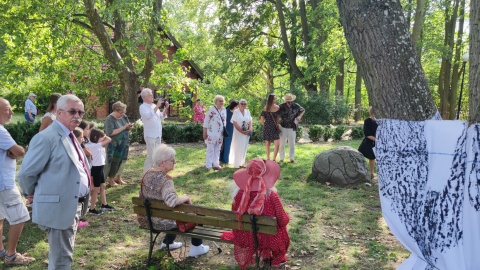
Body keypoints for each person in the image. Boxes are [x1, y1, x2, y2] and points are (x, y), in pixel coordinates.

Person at [18, 94, 90, 269]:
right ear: (59, 112)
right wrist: (32, 194)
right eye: (72, 111)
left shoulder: (71, 135)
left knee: (64, 255)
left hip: (73, 204)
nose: (78, 116)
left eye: (81, 112)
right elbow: (26, 174)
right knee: (61, 260)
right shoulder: (46, 137)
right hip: (58, 207)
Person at [137, 144, 210, 257]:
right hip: (163, 222)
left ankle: (168, 243)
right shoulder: (166, 181)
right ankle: (197, 247)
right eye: (172, 160)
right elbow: (171, 202)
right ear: (162, 163)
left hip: (147, 219)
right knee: (198, 215)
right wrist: (185, 197)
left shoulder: (146, 175)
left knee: (175, 214)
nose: (175, 162)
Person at [221, 158, 290, 269]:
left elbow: (235, 215)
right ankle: (276, 261)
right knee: (280, 230)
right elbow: (283, 220)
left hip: (246, 235)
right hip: (269, 238)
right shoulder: (271, 196)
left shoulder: (239, 195)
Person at [0, 98, 36, 266]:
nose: (12, 113)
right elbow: (19, 151)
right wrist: (20, 150)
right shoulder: (1, 131)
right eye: (8, 109)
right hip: (4, 185)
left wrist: (12, 151)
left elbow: (11, 151)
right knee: (20, 217)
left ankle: (1, 251)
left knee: (0, 218)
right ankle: (11, 255)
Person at [85, 128, 115, 215]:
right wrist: (105, 136)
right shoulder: (94, 145)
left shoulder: (95, 144)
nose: (103, 138)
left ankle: (104, 204)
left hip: (100, 167)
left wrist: (101, 136)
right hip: (96, 168)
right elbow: (109, 139)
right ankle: (92, 208)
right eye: (101, 137)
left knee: (102, 186)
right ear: (95, 137)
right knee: (96, 189)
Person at [140, 88, 169, 174]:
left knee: (157, 155)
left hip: (157, 134)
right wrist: (157, 106)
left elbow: (161, 117)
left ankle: (156, 172)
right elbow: (148, 116)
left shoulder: (153, 106)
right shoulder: (142, 107)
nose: (152, 96)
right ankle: (146, 175)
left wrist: (165, 108)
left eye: (152, 94)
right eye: (150, 95)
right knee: (151, 155)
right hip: (150, 135)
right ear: (144, 97)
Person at [104, 101, 132, 186]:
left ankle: (119, 177)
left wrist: (128, 127)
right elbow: (110, 132)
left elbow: (126, 127)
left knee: (123, 160)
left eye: (124, 112)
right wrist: (123, 127)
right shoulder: (109, 119)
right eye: (121, 112)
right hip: (113, 145)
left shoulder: (124, 117)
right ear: (115, 110)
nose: (122, 114)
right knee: (113, 161)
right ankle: (111, 179)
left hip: (124, 143)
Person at [277, 93, 305, 163]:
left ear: (292, 100)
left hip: (292, 127)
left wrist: (299, 116)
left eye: (290, 101)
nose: (289, 102)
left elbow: (303, 110)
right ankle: (281, 158)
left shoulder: (296, 106)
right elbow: (275, 113)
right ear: (285, 100)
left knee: (292, 144)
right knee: (282, 144)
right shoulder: (281, 106)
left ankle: (292, 158)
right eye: (287, 101)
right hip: (283, 126)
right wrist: (278, 118)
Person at [203, 95, 226, 170]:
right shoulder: (211, 110)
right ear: (216, 101)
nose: (221, 102)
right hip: (211, 133)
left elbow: (224, 121)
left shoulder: (224, 110)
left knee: (218, 149)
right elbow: (206, 121)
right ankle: (208, 165)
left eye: (222, 101)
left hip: (220, 134)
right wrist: (204, 132)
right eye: (220, 101)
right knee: (210, 149)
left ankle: (216, 164)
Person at [229, 99, 253, 168]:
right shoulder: (236, 112)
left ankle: (241, 163)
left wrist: (250, 129)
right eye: (241, 103)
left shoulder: (247, 112)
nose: (243, 105)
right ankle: (236, 164)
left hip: (246, 133)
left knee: (244, 147)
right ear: (239, 104)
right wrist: (241, 131)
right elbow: (234, 122)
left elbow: (250, 120)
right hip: (238, 133)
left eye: (244, 104)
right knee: (237, 147)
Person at [357, 106, 378, 181]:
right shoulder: (367, 121)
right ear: (372, 113)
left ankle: (372, 173)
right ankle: (362, 171)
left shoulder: (380, 121)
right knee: (360, 155)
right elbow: (367, 134)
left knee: (373, 158)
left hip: (377, 143)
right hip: (368, 143)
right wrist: (377, 140)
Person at [260, 94, 281, 161]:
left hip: (275, 128)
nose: (274, 100)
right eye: (273, 99)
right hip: (267, 128)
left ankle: (274, 159)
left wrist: (279, 121)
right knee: (267, 144)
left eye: (275, 99)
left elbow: (278, 118)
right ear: (270, 100)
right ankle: (268, 158)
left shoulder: (278, 108)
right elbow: (262, 120)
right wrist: (267, 126)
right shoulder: (265, 109)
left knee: (277, 144)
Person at [220, 100, 239, 164]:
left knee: (228, 145)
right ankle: (225, 159)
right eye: (237, 106)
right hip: (226, 130)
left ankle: (223, 158)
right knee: (226, 145)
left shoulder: (236, 112)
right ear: (234, 106)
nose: (238, 107)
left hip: (233, 129)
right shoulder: (226, 111)